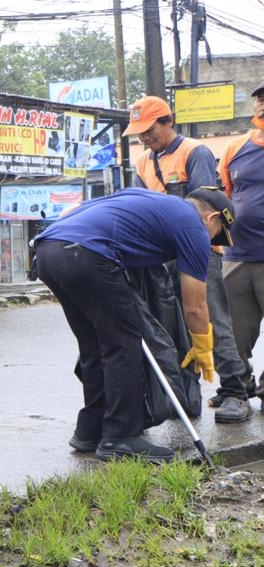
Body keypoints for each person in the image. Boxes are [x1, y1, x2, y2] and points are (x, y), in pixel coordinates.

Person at [32, 188, 230, 461]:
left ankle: (91, 430)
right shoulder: (193, 226)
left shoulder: (151, 202)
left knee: (95, 344)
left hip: (48, 250)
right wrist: (202, 344)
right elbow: (195, 305)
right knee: (125, 343)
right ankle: (120, 436)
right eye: (217, 234)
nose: (212, 243)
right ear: (212, 218)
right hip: (89, 255)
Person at [127, 95, 250, 423]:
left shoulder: (194, 152)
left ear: (169, 122)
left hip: (199, 250)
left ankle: (234, 391)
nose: (144, 138)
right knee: (172, 325)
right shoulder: (142, 162)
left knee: (212, 320)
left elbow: (202, 208)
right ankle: (184, 392)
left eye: (149, 129)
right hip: (162, 254)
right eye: (139, 133)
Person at [220, 82, 264, 406]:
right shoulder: (236, 149)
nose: (262, 105)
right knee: (236, 330)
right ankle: (240, 386)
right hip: (237, 255)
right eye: (260, 100)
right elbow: (224, 196)